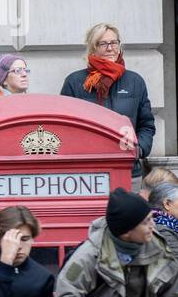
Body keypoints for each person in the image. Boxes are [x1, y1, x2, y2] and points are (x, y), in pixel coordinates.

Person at [60, 23, 154, 182]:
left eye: (114, 42)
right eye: (102, 43)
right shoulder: (74, 82)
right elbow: (64, 128)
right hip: (87, 173)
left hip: (128, 171)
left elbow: (146, 125)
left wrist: (138, 149)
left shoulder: (135, 81)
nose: (110, 48)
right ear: (92, 48)